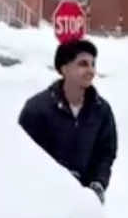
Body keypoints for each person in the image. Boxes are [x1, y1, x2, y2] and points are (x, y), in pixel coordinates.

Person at [18, 38, 118, 199]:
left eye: (93, 64)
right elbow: (24, 155)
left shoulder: (101, 110)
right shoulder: (37, 108)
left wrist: (98, 182)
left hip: (84, 202)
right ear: (64, 68)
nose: (91, 70)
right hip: (42, 199)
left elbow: (105, 153)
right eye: (83, 64)